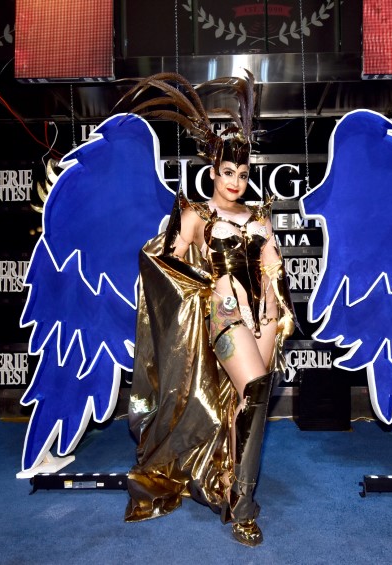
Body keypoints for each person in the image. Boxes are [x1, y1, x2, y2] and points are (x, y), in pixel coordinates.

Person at [123, 73, 295, 546]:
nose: (236, 182)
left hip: (263, 316)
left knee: (248, 401)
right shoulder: (195, 215)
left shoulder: (260, 217)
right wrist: (210, 285)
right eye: (228, 172)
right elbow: (165, 264)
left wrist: (274, 299)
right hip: (223, 313)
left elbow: (271, 266)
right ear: (213, 170)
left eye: (243, 173)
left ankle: (232, 480)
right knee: (255, 389)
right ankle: (243, 507)